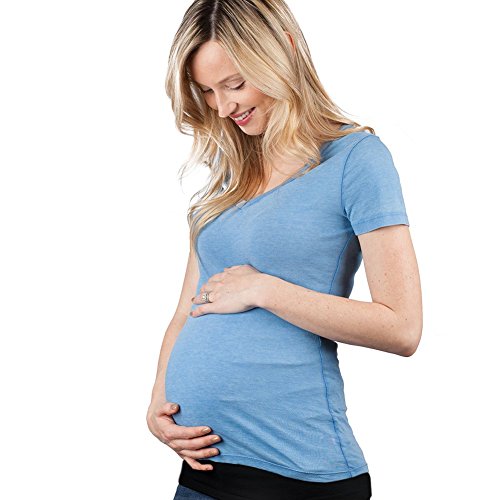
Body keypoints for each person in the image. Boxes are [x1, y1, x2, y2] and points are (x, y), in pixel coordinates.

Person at [146, 0, 423, 498]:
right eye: (207, 91)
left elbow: (402, 328)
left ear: (285, 51)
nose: (222, 107)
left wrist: (265, 290)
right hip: (204, 470)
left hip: (294, 474)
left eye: (235, 84)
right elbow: (187, 309)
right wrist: (158, 401)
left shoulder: (356, 159)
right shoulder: (228, 179)